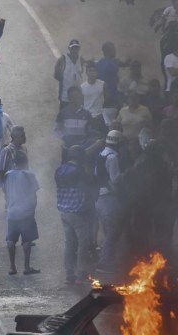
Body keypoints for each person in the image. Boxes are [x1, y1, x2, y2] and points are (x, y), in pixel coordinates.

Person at [55, 145, 93, 284]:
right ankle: (80, 274)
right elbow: (88, 187)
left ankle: (69, 274)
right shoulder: (79, 171)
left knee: (69, 243)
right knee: (83, 243)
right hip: (77, 212)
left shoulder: (59, 170)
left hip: (64, 212)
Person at [4, 151, 40, 275]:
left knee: (10, 240)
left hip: (12, 212)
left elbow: (6, 192)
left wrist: (8, 207)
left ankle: (12, 267)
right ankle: (26, 267)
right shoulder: (29, 175)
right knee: (27, 240)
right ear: (26, 161)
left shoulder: (8, 174)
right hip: (26, 212)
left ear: (14, 162)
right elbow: (34, 195)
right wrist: (32, 210)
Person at [95, 130, 125, 272]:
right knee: (112, 232)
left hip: (100, 197)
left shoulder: (101, 154)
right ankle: (104, 263)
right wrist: (127, 174)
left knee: (108, 230)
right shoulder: (112, 157)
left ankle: (109, 259)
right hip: (109, 198)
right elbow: (115, 179)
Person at [54, 40, 85, 111]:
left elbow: (87, 67)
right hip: (65, 97)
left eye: (76, 48)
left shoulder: (81, 59)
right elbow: (56, 75)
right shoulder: (62, 59)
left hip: (78, 97)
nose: (75, 50)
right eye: (73, 48)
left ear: (79, 49)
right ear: (69, 48)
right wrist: (65, 81)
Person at [81, 62, 109, 133]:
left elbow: (107, 100)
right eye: (90, 71)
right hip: (88, 116)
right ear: (86, 73)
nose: (92, 73)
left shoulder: (102, 84)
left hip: (100, 116)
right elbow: (81, 103)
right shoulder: (82, 87)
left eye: (94, 71)